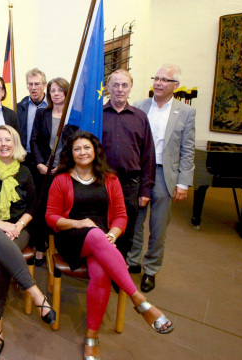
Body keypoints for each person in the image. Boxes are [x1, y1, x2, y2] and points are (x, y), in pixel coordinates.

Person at [46, 130, 174, 360]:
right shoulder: (61, 179)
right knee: (95, 235)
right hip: (71, 237)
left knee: (101, 273)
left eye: (87, 147)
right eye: (77, 149)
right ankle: (140, 302)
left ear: (95, 151)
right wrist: (79, 223)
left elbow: (121, 216)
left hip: (102, 241)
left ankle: (91, 338)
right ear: (71, 154)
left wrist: (113, 236)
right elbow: (51, 217)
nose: (82, 152)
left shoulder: (110, 179)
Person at [0, 125, 56, 359]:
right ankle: (36, 293)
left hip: (18, 229)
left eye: (8, 140)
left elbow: (32, 207)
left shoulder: (25, 171)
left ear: (14, 144)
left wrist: (17, 226)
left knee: (0, 257)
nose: (3, 144)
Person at [128, 64, 196, 292]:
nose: (158, 83)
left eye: (164, 80)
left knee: (157, 227)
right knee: (134, 222)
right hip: (139, 173)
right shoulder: (139, 106)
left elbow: (187, 149)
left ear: (175, 86)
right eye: (156, 78)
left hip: (164, 175)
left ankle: (151, 269)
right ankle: (132, 262)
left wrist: (183, 182)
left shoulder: (185, 112)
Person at [102, 69, 156, 263]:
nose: (119, 89)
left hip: (129, 183)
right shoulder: (97, 115)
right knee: (101, 225)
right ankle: (100, 266)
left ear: (130, 88)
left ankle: (119, 265)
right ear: (108, 87)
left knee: (126, 227)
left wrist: (146, 189)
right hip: (101, 181)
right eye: (115, 85)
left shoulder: (140, 117)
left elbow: (148, 154)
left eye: (124, 85)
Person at [30, 77, 74, 265]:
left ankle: (62, 250)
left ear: (66, 92)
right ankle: (40, 249)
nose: (56, 94)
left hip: (64, 172)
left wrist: (62, 167)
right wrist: (40, 163)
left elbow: (76, 145)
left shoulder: (74, 116)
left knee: (62, 211)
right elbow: (34, 140)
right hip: (43, 172)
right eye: (52, 90)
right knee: (41, 210)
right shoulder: (42, 114)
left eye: (59, 90)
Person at [17, 68, 48, 266]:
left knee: (41, 206)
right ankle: (23, 243)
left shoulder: (51, 106)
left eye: (37, 83)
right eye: (30, 84)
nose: (34, 87)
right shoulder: (20, 107)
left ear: (44, 85)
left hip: (42, 164)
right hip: (22, 161)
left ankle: (40, 248)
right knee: (23, 204)